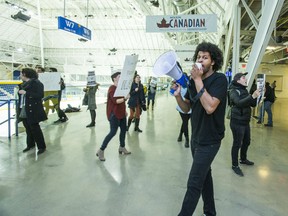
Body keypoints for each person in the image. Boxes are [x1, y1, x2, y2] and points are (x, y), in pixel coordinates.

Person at [172, 42, 227, 216]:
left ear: (213, 61)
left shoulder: (220, 79)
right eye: (198, 57)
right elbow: (187, 107)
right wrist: (178, 96)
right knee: (205, 176)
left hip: (210, 141)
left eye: (205, 57)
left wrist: (196, 80)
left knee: (194, 182)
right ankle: (210, 212)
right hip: (196, 138)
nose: (200, 60)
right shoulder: (193, 82)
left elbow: (210, 107)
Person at [228, 72, 260, 176]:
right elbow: (238, 103)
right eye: (243, 77)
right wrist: (252, 96)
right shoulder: (233, 90)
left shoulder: (244, 90)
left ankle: (243, 159)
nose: (245, 79)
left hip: (245, 121)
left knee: (246, 141)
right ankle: (235, 165)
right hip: (237, 122)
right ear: (238, 80)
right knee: (237, 143)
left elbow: (252, 104)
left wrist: (258, 97)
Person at [96, 71, 131, 161]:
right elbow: (116, 101)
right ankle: (101, 150)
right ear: (114, 78)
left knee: (123, 130)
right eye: (119, 76)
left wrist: (125, 110)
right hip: (114, 114)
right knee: (113, 132)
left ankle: (122, 147)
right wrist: (125, 98)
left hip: (122, 113)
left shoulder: (121, 88)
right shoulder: (112, 88)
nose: (121, 77)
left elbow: (122, 102)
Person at [18, 68, 47, 155]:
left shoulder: (37, 83)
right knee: (27, 127)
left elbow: (39, 95)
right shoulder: (24, 84)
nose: (20, 76)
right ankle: (30, 144)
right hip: (24, 108)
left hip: (32, 109)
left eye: (21, 74)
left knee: (35, 128)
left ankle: (41, 146)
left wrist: (26, 93)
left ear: (25, 74)